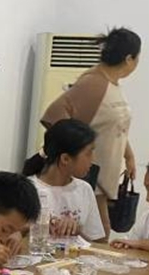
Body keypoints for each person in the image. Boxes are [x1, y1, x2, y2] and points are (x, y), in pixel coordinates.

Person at [41, 27, 141, 237]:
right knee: (98, 235)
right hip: (90, 176)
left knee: (98, 234)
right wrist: (76, 152)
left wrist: (129, 156)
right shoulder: (93, 83)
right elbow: (54, 115)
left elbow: (114, 125)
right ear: (129, 59)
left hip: (103, 176)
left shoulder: (112, 84)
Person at [22, 119, 105, 242]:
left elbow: (96, 242)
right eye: (88, 153)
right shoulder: (27, 190)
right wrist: (38, 227)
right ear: (65, 159)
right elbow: (11, 237)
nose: (92, 160)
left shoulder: (84, 190)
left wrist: (77, 230)